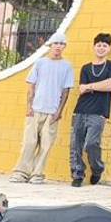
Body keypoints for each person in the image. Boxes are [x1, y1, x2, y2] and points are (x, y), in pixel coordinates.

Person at [10, 32, 76, 185]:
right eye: (56, 43)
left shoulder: (67, 66)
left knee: (46, 145)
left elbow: (66, 91)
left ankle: (37, 174)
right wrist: (29, 107)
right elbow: (31, 86)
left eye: (61, 44)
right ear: (50, 45)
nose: (58, 46)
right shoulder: (40, 63)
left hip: (52, 112)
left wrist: (59, 112)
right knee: (29, 142)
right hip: (35, 109)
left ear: (64, 46)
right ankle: (21, 172)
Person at [69, 33, 111, 187]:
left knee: (91, 144)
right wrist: (98, 86)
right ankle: (77, 173)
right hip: (80, 109)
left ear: (109, 48)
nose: (101, 48)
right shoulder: (86, 67)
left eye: (104, 45)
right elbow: (81, 89)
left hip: (99, 112)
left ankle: (97, 168)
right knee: (75, 144)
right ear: (94, 47)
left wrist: (90, 86)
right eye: (98, 45)